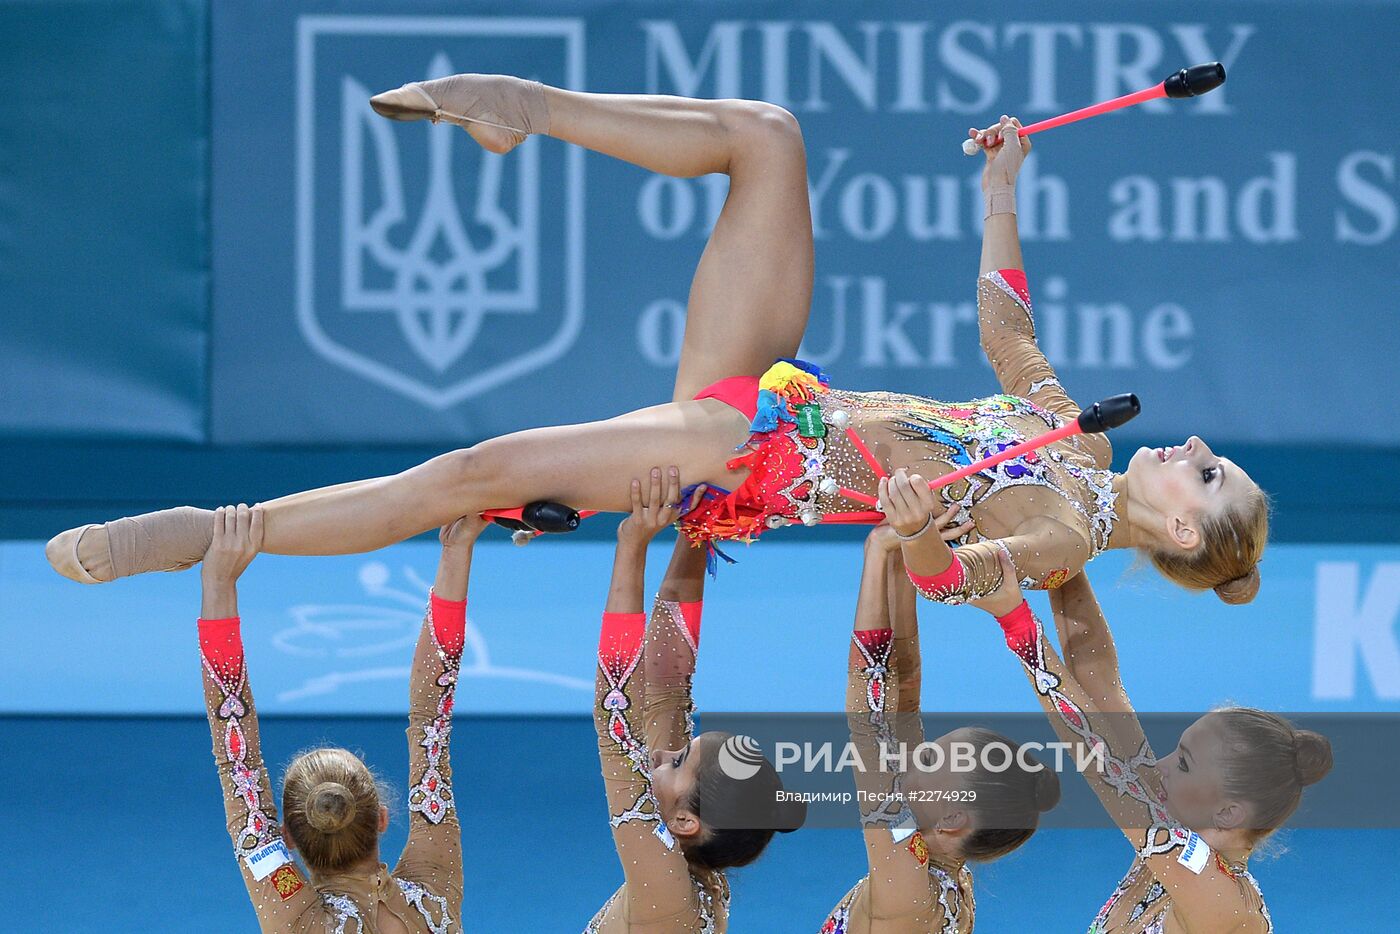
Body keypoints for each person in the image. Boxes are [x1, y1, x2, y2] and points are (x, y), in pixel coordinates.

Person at [48, 93, 1265, 608]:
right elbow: (1007, 328)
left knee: (471, 470)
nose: (1196, 449)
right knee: (767, 138)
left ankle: (219, 531)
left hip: (738, 460)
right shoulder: (1058, 423)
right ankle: (520, 107)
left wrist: (921, 530)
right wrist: (1003, 185)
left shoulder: (1063, 525)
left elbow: (971, 584)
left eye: (1205, 480)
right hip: (776, 391)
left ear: (1169, 533)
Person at [958, 546, 1331, 932]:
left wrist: (1016, 621)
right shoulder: (1176, 834)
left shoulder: (1223, 905)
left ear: (1228, 813)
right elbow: (1100, 682)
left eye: (1183, 763)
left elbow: (1103, 768)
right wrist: (1062, 559)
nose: (1159, 766)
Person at [197, 503, 481, 930]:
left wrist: (218, 579)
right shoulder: (435, 889)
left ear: (287, 839)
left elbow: (239, 768)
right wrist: (457, 550)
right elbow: (431, 720)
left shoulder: (300, 921)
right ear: (382, 819)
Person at [588, 467, 805, 932]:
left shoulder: (664, 887)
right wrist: (701, 527)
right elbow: (669, 681)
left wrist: (632, 544)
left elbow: (616, 714)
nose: (660, 752)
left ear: (686, 821)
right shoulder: (687, 860)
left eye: (677, 760)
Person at [822, 518, 1059, 933]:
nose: (913, 753)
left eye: (928, 759)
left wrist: (877, 554)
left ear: (951, 819)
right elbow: (904, 699)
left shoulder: (907, 890)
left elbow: (870, 725)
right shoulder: (942, 874)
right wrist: (903, 557)